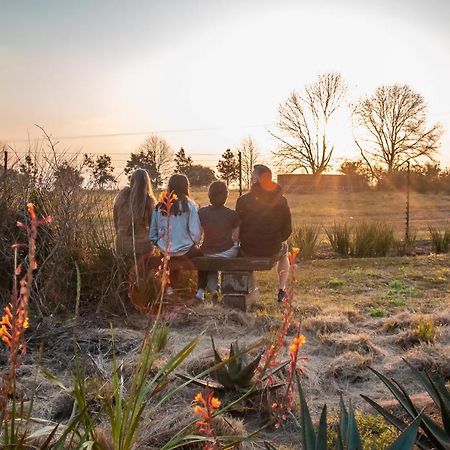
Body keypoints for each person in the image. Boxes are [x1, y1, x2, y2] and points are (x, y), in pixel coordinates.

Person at [236, 164, 292, 302]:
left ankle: (252, 290)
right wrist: (277, 239)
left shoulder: (242, 201)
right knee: (284, 251)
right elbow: (287, 229)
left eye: (252, 177)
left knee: (243, 256)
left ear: (256, 179)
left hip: (248, 248)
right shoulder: (282, 200)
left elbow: (237, 226)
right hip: (272, 247)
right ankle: (281, 289)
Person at [149, 174, 207, 300]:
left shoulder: (159, 206)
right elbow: (195, 232)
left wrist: (159, 244)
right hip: (186, 250)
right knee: (204, 258)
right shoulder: (189, 205)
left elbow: (152, 234)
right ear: (186, 187)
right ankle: (200, 291)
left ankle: (169, 289)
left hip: (166, 251)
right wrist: (193, 243)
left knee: (169, 261)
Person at [199, 181, 240, 300]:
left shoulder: (202, 212)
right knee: (235, 248)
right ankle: (217, 289)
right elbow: (236, 237)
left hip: (207, 251)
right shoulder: (232, 214)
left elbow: (198, 233)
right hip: (227, 252)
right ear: (226, 196)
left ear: (209, 195)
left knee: (211, 260)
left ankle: (213, 289)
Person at [113, 168, 156, 257]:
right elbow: (153, 227)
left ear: (131, 181)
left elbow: (115, 223)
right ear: (147, 183)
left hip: (121, 244)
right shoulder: (149, 201)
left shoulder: (121, 198)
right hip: (143, 246)